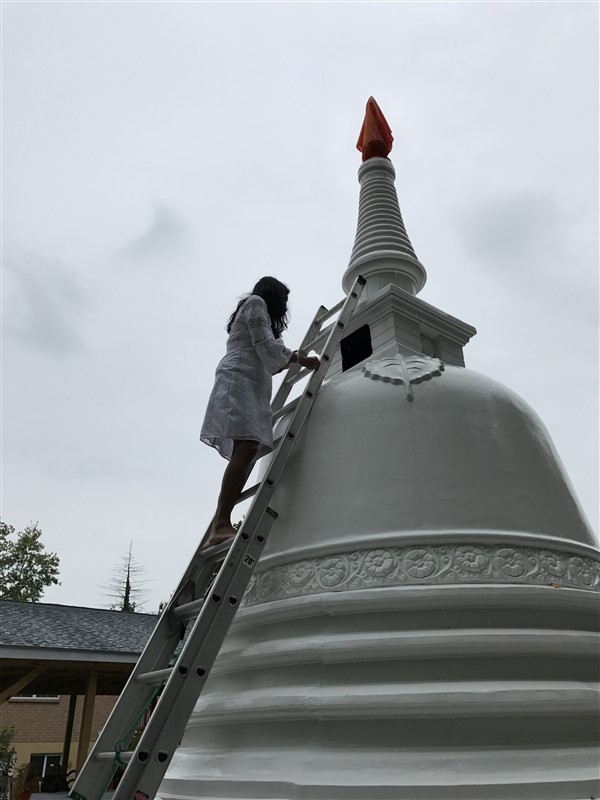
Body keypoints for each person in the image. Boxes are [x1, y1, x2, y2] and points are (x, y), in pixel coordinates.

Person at [200, 277, 320, 548]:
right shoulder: (255, 303)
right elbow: (267, 346)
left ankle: (220, 524)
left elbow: (272, 360)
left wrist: (294, 359)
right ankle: (220, 525)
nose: (285, 305)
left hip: (253, 384)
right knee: (246, 448)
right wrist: (300, 358)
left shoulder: (261, 314)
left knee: (247, 450)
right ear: (272, 294)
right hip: (239, 378)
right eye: (283, 298)